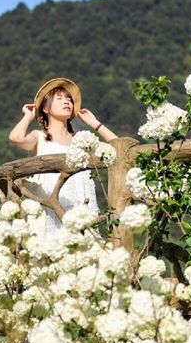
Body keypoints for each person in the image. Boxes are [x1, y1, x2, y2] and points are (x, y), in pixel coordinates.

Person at [8, 77, 118, 236]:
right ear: (45, 108)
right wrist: (29, 115)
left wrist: (95, 123)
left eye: (69, 99)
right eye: (59, 99)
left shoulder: (82, 140)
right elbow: (16, 138)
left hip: (82, 210)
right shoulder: (39, 137)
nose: (66, 102)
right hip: (50, 210)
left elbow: (118, 147)